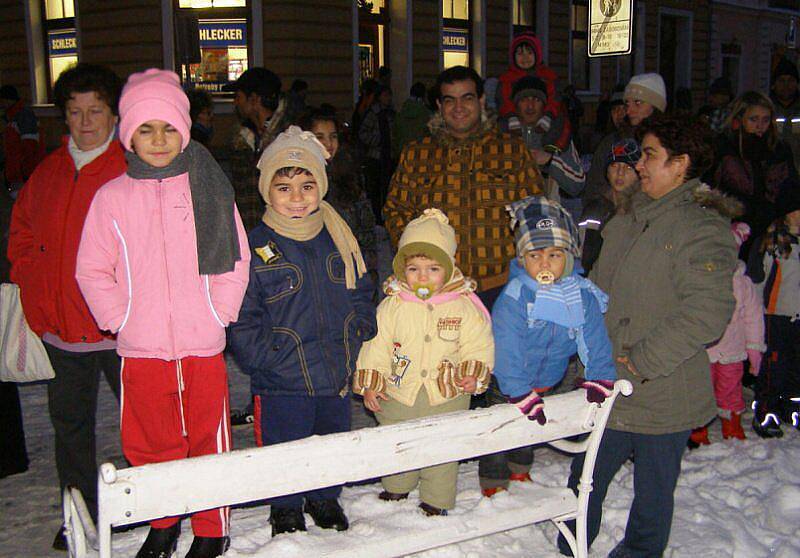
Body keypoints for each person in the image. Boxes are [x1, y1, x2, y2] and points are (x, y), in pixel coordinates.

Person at [75, 69, 250, 558]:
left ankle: (212, 529)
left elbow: (235, 259)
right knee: (151, 442)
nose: (158, 140)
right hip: (142, 346)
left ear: (185, 130)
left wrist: (219, 313)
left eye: (168, 128)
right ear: (128, 133)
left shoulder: (207, 189)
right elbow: (92, 268)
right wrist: (119, 317)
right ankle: (165, 521)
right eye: (146, 129)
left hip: (201, 343)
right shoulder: (112, 198)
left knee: (205, 441)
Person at [558, 114, 738, 558]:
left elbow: (709, 312)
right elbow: (599, 287)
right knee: (583, 484)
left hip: (661, 389)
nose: (640, 164)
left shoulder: (701, 228)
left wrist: (644, 359)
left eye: (651, 156)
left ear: (681, 164)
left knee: (653, 498)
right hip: (609, 382)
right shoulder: (629, 215)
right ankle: (571, 549)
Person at [228, 126, 377, 537]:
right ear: (267, 191)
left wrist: (360, 329)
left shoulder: (338, 237)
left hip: (334, 369)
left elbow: (362, 287)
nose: (297, 198)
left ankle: (324, 497)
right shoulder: (254, 245)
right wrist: (265, 355)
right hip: (283, 377)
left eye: (307, 186)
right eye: (285, 187)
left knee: (332, 441)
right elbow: (241, 313)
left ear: (321, 187)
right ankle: (286, 506)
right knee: (285, 447)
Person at [7, 63, 125, 551]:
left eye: (95, 110)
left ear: (114, 113)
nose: (85, 122)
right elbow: (22, 237)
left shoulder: (131, 166)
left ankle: (149, 507)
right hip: (61, 330)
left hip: (123, 331)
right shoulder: (49, 172)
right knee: (70, 430)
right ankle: (78, 512)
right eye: (75, 112)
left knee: (141, 425)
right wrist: (35, 297)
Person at [354, 208, 493, 515]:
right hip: (399, 392)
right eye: (414, 269)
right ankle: (397, 485)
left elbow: (478, 343)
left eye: (432, 269)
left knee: (442, 447)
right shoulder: (393, 305)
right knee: (397, 440)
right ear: (403, 269)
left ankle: (436, 499)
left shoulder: (463, 306)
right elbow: (375, 345)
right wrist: (371, 382)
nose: (422, 277)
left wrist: (473, 371)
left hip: (446, 393)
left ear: (448, 268)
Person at [479, 197, 615, 497]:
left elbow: (593, 337)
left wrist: (601, 376)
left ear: (569, 257)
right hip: (508, 379)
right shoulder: (515, 297)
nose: (544, 263)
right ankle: (492, 479)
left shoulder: (581, 294)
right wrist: (518, 390)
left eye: (554, 255)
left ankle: (520, 467)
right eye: (535, 255)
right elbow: (506, 348)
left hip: (548, 377)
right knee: (500, 428)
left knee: (530, 425)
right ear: (521, 260)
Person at [384, 65, 543, 310]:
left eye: (467, 98)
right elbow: (396, 210)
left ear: (481, 100)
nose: (458, 108)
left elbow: (535, 212)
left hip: (501, 288)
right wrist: (416, 260)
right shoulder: (418, 153)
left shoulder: (511, 150)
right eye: (450, 100)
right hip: (439, 289)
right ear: (439, 105)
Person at [689, 222, 765, 447]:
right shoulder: (700, 281)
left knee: (730, 388)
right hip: (703, 350)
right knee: (700, 389)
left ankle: (732, 425)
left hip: (732, 350)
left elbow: (754, 318)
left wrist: (754, 348)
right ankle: (697, 429)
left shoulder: (743, 284)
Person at [710, 91, 800, 247]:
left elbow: (790, 188)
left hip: (770, 230)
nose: (760, 126)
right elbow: (710, 185)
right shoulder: (724, 147)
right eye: (753, 119)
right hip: (732, 229)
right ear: (740, 119)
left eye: (765, 120)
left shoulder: (779, 149)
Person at [304, 109, 378, 287]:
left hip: (352, 273)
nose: (328, 143)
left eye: (333, 136)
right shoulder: (298, 182)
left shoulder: (348, 174)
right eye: (319, 137)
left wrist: (369, 276)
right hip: (315, 276)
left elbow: (367, 232)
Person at [747, 203, 800, 438]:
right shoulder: (773, 242)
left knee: (795, 368)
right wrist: (755, 315)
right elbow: (757, 280)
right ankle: (766, 413)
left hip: (797, 316)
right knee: (773, 368)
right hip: (775, 315)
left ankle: (792, 409)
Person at [583, 73, 667, 220]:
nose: (629, 111)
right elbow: (594, 186)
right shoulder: (613, 141)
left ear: (655, 106)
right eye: (627, 104)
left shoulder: (668, 145)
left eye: (638, 103)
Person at [505, 76, 585, 222]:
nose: (530, 106)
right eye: (524, 100)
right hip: (506, 222)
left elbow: (577, 184)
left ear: (544, 104)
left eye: (536, 100)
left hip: (548, 224)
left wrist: (550, 161)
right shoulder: (501, 134)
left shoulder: (558, 134)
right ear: (516, 104)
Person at [228, 67, 293, 232]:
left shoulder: (289, 137)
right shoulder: (243, 137)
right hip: (251, 233)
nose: (236, 102)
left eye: (239, 97)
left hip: (281, 234)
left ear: (254, 99)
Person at [496, 32, 570, 152]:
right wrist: (511, 116)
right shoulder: (506, 79)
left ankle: (552, 148)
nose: (525, 58)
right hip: (515, 121)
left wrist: (548, 115)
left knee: (560, 122)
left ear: (537, 54)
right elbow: (503, 100)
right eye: (520, 54)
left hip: (545, 120)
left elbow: (555, 99)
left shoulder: (548, 76)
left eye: (529, 53)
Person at [580, 138, 641, 276]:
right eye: (614, 166)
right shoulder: (595, 211)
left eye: (628, 167)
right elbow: (584, 256)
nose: (620, 173)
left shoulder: (645, 211)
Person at [358, 83, 395, 224]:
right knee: (374, 189)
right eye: (386, 95)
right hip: (375, 156)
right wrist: (378, 140)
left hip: (387, 156)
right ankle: (376, 217)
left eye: (389, 95)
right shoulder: (373, 113)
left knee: (386, 188)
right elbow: (363, 133)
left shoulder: (390, 113)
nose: (389, 98)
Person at [1, 84, 45, 197]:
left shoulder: (23, 116)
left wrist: (24, 176)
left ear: (7, 100)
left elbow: (30, 149)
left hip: (24, 177)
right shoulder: (13, 117)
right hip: (19, 176)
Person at [770, 56, 800, 169]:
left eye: (791, 80)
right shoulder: (766, 111)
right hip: (773, 175)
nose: (786, 85)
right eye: (782, 80)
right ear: (774, 84)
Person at [392, 81, 431, 161]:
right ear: (423, 96)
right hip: (420, 153)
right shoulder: (425, 113)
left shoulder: (401, 112)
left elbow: (395, 133)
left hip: (402, 152)